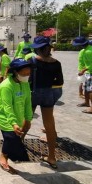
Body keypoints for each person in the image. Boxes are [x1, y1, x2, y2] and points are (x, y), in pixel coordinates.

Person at [28, 36, 64, 169]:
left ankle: (17, 146)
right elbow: (59, 82)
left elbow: (27, 78)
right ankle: (52, 157)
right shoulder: (56, 63)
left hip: (33, 93)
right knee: (49, 126)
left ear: (37, 49)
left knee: (26, 120)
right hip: (48, 94)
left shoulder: (31, 60)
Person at [0, 59, 33, 174]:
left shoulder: (25, 83)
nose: (27, 76)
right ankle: (3, 156)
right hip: (3, 114)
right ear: (16, 72)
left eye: (28, 73)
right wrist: (14, 123)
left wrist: (28, 119)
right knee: (10, 136)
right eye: (24, 74)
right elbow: (7, 107)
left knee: (14, 138)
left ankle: (9, 153)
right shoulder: (6, 86)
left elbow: (27, 102)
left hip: (18, 113)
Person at [72, 36, 92, 114]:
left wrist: (83, 70)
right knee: (86, 87)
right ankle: (86, 102)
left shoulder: (89, 52)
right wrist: (82, 71)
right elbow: (82, 61)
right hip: (88, 72)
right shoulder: (89, 48)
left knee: (91, 89)